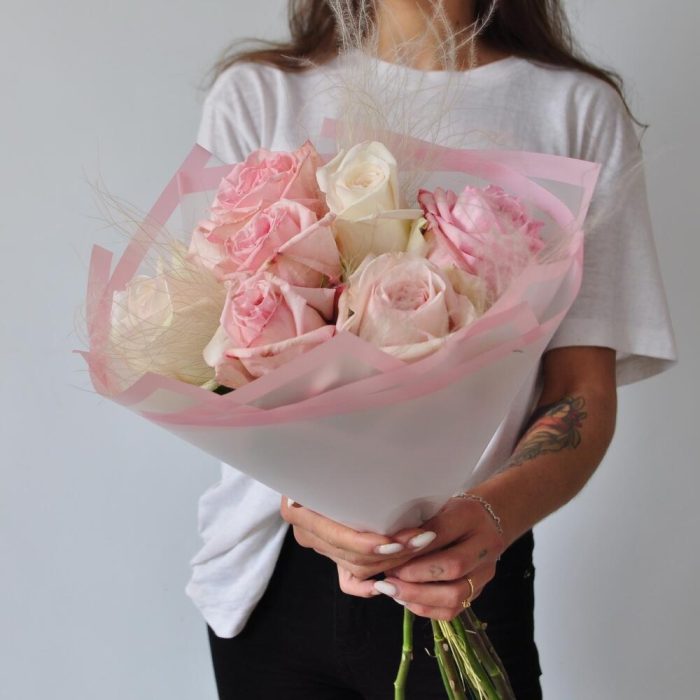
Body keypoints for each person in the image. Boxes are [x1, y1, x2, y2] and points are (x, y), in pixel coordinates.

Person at [187, 1, 677, 697]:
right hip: (269, 573)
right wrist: (310, 500)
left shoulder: (575, 110)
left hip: (471, 566)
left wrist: (491, 517)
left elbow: (580, 392)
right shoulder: (260, 95)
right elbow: (219, 355)